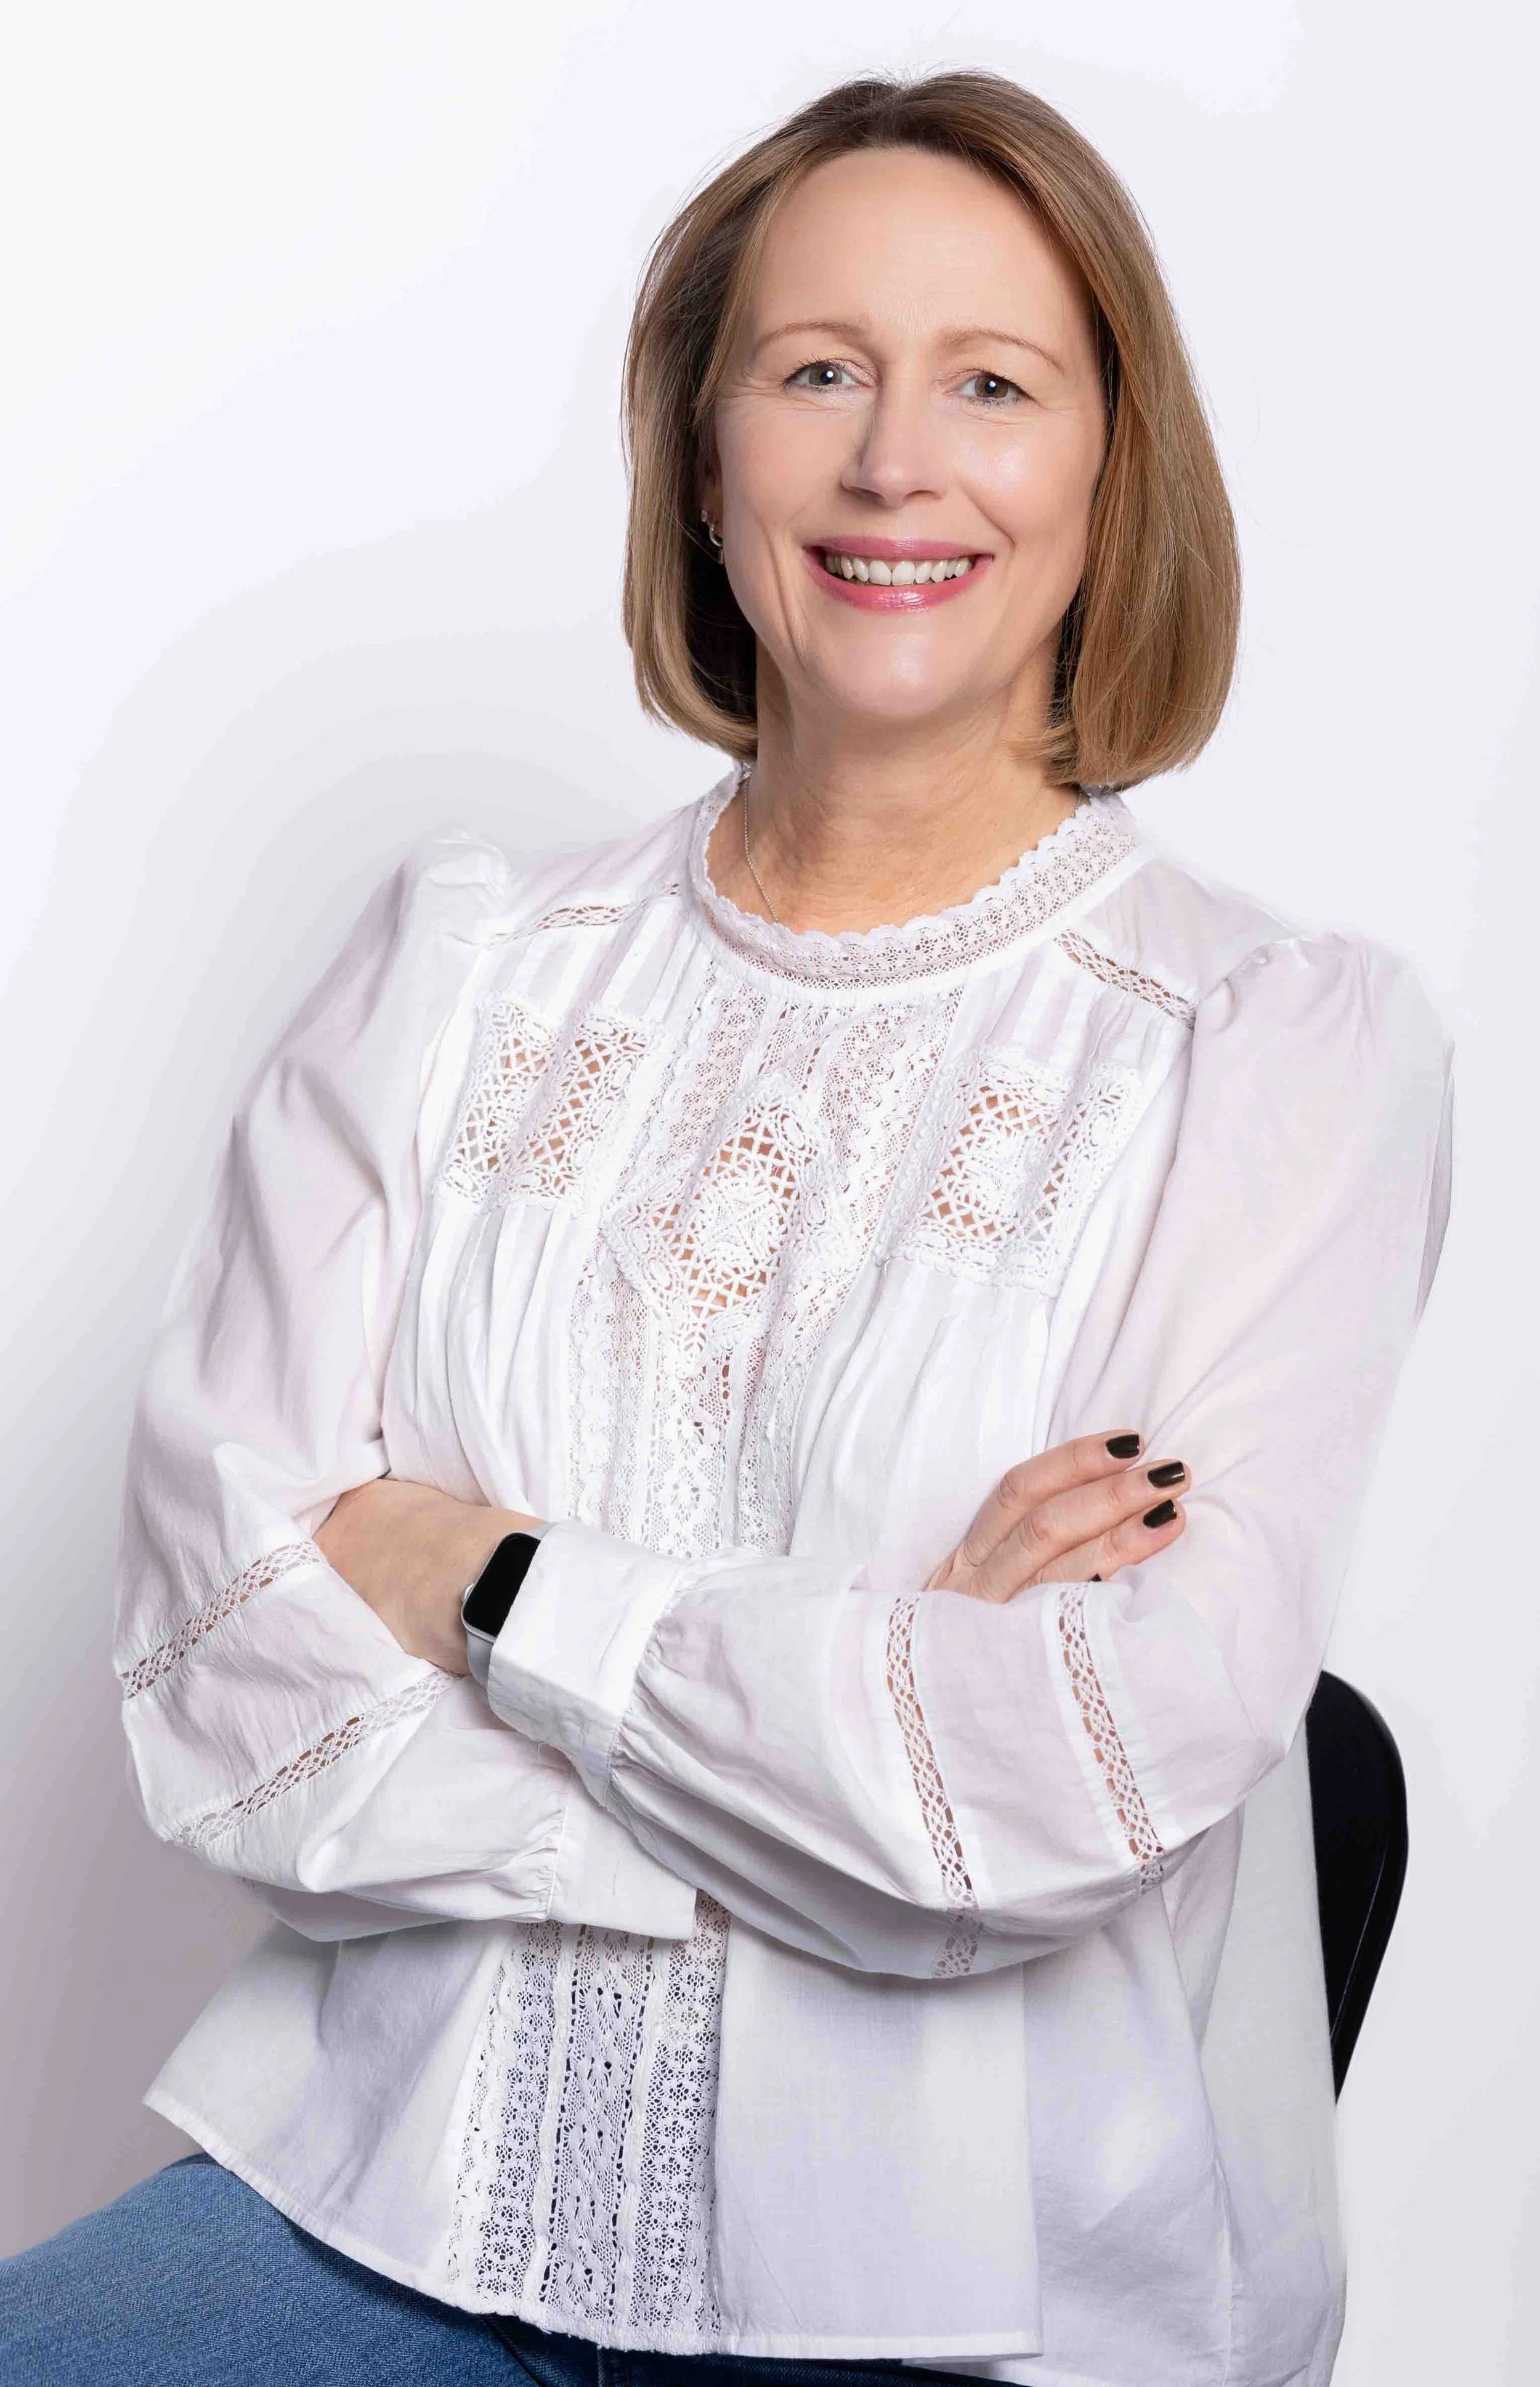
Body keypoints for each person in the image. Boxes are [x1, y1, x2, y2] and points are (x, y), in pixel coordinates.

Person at [1, 68, 1451, 2387]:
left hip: (970, 2301)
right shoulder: (455, 968)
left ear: (1109, 470)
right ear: (703, 454)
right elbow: (222, 1682)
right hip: (378, 2188)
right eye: (815, 372)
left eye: (992, 380)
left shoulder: (1267, 1049)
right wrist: (845, 1742)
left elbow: (1073, 1776)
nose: (896, 460)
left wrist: (486, 1582)